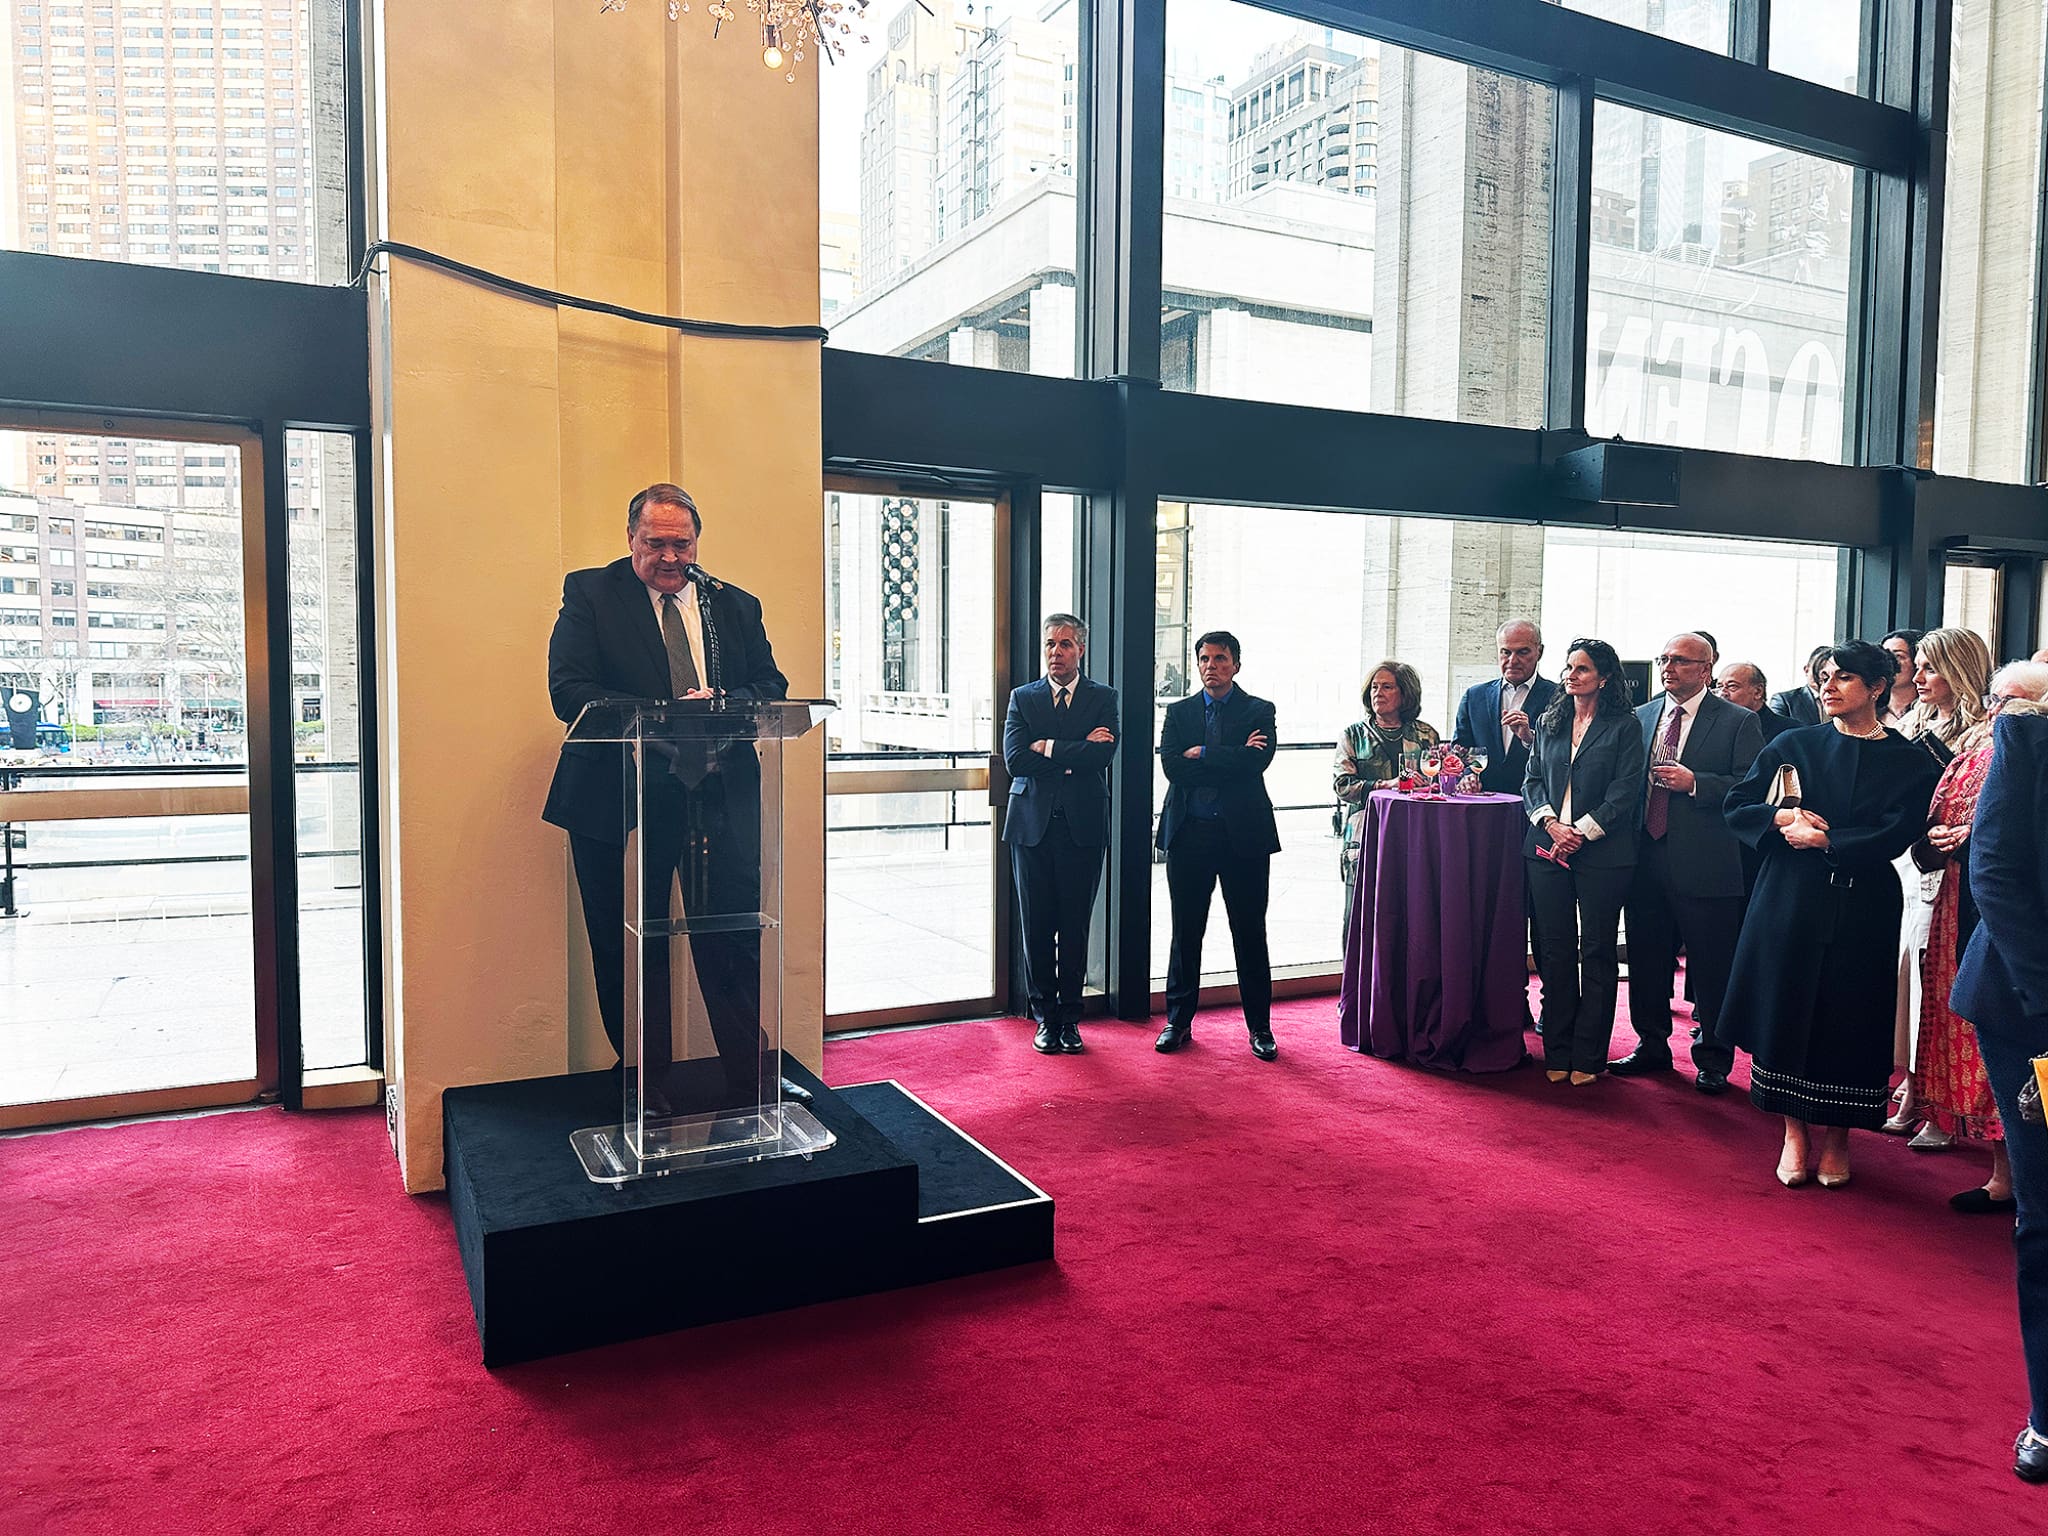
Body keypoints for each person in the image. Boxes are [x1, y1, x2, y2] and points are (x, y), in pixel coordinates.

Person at [543, 482, 792, 1116]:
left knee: (733, 935)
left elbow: (770, 683)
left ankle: (750, 1074)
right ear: (631, 539)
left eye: (682, 543)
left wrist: (720, 707)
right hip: (622, 795)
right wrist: (660, 716)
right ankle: (643, 1081)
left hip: (717, 795)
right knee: (628, 941)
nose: (671, 556)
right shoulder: (591, 593)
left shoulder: (732, 605)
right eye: (656, 543)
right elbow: (570, 691)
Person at [1721, 640, 1943, 1188]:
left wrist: (1828, 841)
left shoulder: (1910, 758)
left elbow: (1901, 828)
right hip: (1788, 896)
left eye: (1843, 677)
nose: (1828, 685)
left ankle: (1840, 1138)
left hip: (1864, 897)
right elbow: (1739, 804)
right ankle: (1794, 1133)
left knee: (1851, 1015)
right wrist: (1781, 820)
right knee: (1787, 1006)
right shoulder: (1795, 742)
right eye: (1824, 675)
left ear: (1876, 687)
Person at [1950, 704, 2048, 1483]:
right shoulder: (2029, 738)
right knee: (2047, 1216)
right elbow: (1998, 876)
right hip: (2032, 1008)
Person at [1914, 664, 2048, 1211]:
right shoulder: (1975, 751)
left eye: (2015, 705)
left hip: (2005, 927)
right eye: (1996, 700)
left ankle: (2013, 1176)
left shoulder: (2024, 753)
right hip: (1978, 925)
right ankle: (2006, 1173)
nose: (2000, 713)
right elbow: (1960, 851)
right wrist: (1937, 840)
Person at [1612, 632, 1764, 1093]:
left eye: (1679, 660)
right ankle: (1651, 1044)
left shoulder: (1738, 721)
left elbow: (1749, 789)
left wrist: (1696, 782)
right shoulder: (1640, 716)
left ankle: (1714, 1058)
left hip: (1705, 860)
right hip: (1644, 855)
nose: (1668, 667)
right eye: (1664, 659)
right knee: (1646, 956)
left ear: (1706, 667)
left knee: (1711, 963)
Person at [1886, 627, 1994, 1146]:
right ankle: (1914, 1086)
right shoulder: (1912, 720)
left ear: (1960, 671)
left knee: (1941, 980)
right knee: (1911, 977)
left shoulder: (1985, 732)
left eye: (1930, 667)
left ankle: (1942, 1104)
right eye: (1918, 666)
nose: (1918, 677)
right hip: (1914, 860)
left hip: (1958, 873)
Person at [1523, 638, 1645, 1085]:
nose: (1571, 676)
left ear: (1605, 677)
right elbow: (1532, 780)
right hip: (1545, 847)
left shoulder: (1625, 726)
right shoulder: (1549, 720)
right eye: (1569, 668)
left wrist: (1581, 832)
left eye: (1583, 669)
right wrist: (1552, 824)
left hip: (1603, 852)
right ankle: (1556, 1049)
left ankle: (1589, 1057)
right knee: (1554, 952)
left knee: (1596, 952)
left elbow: (1626, 792)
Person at [1156, 630, 1280, 1061]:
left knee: (1249, 933)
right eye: (1205, 659)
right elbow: (1173, 767)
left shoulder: (1259, 710)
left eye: (1221, 659)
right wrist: (1229, 755)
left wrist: (1203, 753)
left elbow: (1256, 762)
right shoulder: (1179, 711)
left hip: (1243, 838)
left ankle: (1260, 1029)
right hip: (1190, 835)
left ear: (1236, 665)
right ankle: (1178, 1022)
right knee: (1186, 933)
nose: (1212, 666)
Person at [1002, 614, 1118, 1055]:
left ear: (1081, 650)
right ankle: (1045, 1019)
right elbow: (1016, 760)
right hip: (1031, 829)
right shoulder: (1023, 698)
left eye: (1066, 644)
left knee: (1074, 928)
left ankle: (1071, 1019)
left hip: (1082, 828)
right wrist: (1075, 750)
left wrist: (1047, 746)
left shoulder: (1103, 698)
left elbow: (1102, 756)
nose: (1056, 652)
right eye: (1050, 643)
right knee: (1035, 927)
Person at [1334, 660, 1439, 936]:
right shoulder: (1353, 735)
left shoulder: (1425, 734)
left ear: (1405, 694)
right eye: (1374, 687)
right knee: (1358, 916)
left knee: (1410, 913)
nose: (1377, 693)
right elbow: (1343, 785)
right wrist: (1387, 785)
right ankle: (1357, 978)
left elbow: (1437, 782)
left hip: (1413, 834)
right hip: (1365, 834)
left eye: (1387, 687)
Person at [1455, 620, 1558, 796]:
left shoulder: (1559, 697)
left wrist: (1529, 738)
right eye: (1506, 652)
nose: (1513, 660)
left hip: (1535, 806)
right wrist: (1467, 775)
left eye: (1522, 652)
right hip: (1482, 804)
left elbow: (1563, 756)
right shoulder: (1474, 696)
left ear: (1539, 652)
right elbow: (1460, 748)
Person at [1717, 661, 1794, 742]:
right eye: (1719, 687)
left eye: (1732, 686)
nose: (1722, 694)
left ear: (1758, 691)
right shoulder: (1715, 728)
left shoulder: (1790, 732)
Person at [1770, 645, 1830, 727]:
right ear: (1806, 670)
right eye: (1817, 670)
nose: (1821, 677)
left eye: (1827, 673)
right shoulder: (1784, 700)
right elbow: (1775, 732)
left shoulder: (1845, 699)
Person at [1879, 628, 1925, 728]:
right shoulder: (1870, 712)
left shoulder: (1929, 716)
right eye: (1885, 655)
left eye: (1898, 656)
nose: (1890, 662)